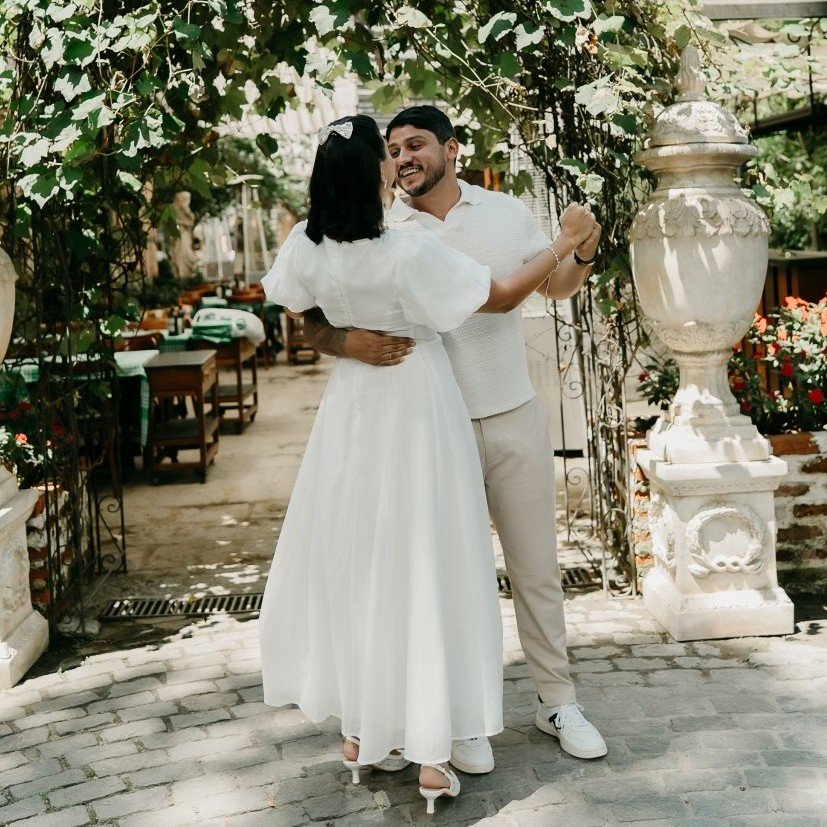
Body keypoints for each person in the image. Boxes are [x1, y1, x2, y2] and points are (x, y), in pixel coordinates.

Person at [258, 114, 597, 812]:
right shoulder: (396, 238)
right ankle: (445, 727)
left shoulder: (318, 239)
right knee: (431, 572)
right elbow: (496, 298)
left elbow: (552, 287)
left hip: (438, 414)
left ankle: (534, 704)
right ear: (375, 169)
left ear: (450, 148)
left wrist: (574, 251)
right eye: (390, 151)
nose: (402, 158)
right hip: (424, 421)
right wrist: (345, 341)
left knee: (477, 569)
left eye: (413, 146)